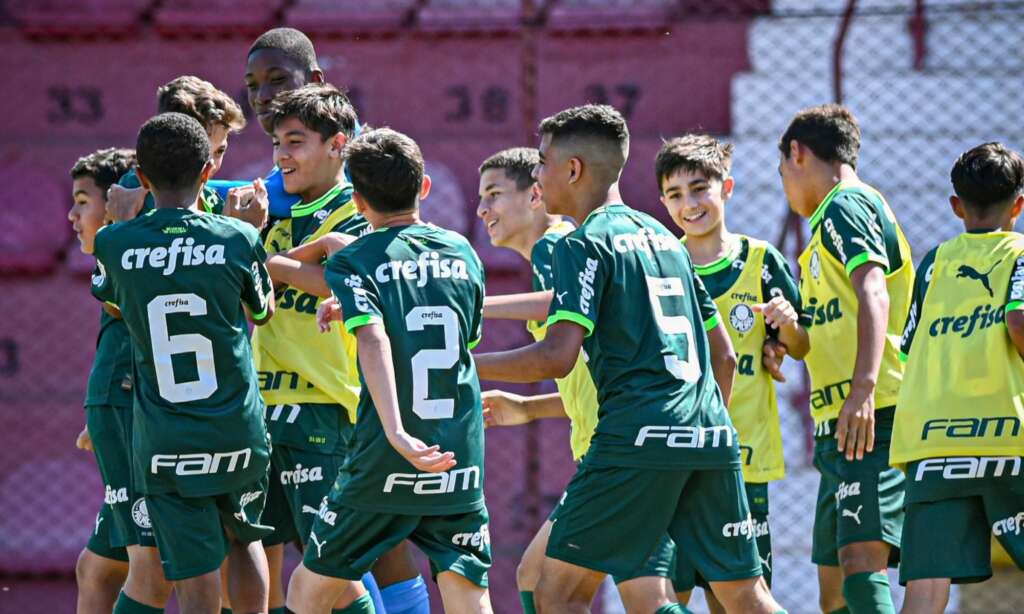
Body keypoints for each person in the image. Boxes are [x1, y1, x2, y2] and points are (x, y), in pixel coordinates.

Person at [474, 104, 785, 613]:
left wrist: (464, 366)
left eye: (544, 163)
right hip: (709, 432)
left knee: (555, 592)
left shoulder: (581, 244)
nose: (538, 175)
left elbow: (557, 355)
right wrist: (704, 430)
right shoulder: (666, 238)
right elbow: (723, 356)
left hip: (634, 439)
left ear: (573, 170)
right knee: (746, 596)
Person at [287, 128, 493, 614]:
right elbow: (456, 337)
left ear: (357, 201)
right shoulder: (463, 252)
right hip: (456, 451)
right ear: (424, 188)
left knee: (307, 592)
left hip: (387, 456)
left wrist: (397, 432)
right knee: (466, 591)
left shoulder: (356, 258)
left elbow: (375, 336)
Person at [475, 147, 680, 612]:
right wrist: (529, 408)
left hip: (623, 449)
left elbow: (558, 314)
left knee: (640, 597)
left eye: (494, 194)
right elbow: (595, 377)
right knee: (536, 576)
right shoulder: (558, 250)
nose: (482, 209)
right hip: (615, 444)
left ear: (536, 195)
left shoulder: (559, 245)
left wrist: (473, 307)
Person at [91, 112, 276, 613]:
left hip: (166, 436)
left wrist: (123, 224)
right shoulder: (237, 239)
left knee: (194, 581)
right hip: (236, 426)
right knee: (244, 540)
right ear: (208, 173)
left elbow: (114, 304)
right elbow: (262, 311)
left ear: (143, 180)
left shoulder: (114, 242)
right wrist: (246, 232)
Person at [251, 82, 391, 614]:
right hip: (261, 408)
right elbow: (250, 300)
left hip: (324, 406)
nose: (281, 156)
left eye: (295, 142)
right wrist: (266, 255)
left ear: (337, 145)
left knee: (331, 567)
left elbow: (343, 277)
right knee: (250, 560)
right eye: (276, 145)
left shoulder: (355, 210)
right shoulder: (267, 213)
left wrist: (263, 260)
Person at [658, 133, 809, 612]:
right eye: (675, 195)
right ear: (662, 202)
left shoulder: (762, 262)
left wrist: (787, 327)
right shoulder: (660, 263)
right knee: (669, 595)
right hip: (674, 458)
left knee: (738, 597)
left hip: (742, 458)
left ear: (727, 188)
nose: (689, 204)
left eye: (699, 188)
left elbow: (799, 348)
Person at [777, 103, 914, 614]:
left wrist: (863, 389)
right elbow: (818, 336)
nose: (787, 189)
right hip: (839, 426)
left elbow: (874, 291)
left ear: (797, 153)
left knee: (861, 563)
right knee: (833, 589)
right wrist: (789, 331)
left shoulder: (843, 205)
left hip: (873, 415)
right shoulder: (823, 234)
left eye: (782, 174)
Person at [892, 142, 1024, 614]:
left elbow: (906, 347)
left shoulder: (933, 264)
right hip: (1009, 439)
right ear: (1019, 204)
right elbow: (1019, 321)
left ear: (956, 206)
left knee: (924, 594)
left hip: (934, 446)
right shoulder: (1022, 253)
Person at [69, 147, 138, 614]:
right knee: (96, 568)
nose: (72, 215)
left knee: (152, 570)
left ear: (114, 205)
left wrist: (117, 411)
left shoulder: (133, 266)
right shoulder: (112, 266)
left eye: (82, 201)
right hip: (116, 417)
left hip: (140, 428)